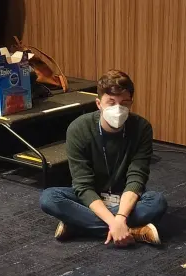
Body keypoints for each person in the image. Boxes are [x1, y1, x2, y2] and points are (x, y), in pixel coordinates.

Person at [39, 69, 166, 247]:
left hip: (124, 198)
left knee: (157, 201)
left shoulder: (141, 128)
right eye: (111, 102)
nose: (118, 109)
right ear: (99, 104)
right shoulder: (79, 129)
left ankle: (79, 226)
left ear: (131, 104)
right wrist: (115, 223)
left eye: (124, 103)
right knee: (49, 198)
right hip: (92, 195)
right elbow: (82, 185)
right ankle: (134, 231)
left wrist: (121, 216)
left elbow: (137, 177)